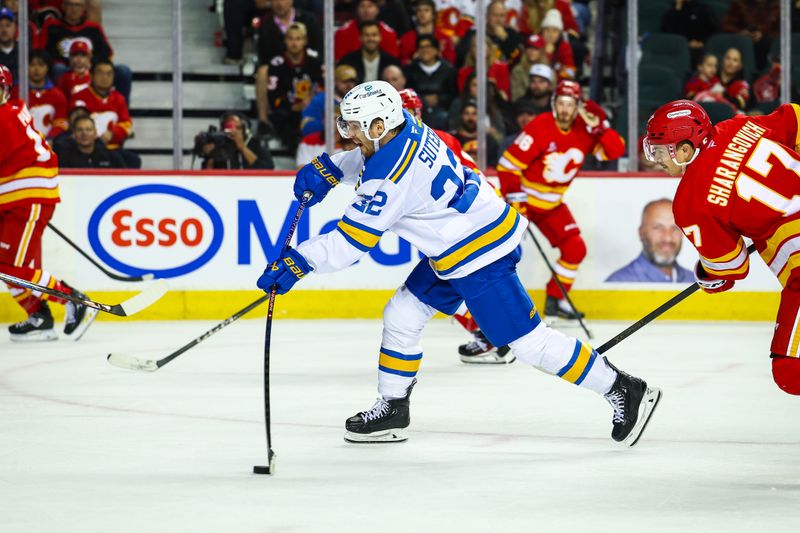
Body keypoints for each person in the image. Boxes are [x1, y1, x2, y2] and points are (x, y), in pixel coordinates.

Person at [257, 80, 661, 446]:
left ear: (380, 126)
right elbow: (365, 160)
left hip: (478, 254)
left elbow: (349, 242)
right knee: (401, 314)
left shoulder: (389, 177)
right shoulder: (409, 129)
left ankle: (622, 388)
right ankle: (394, 407)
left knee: (531, 345)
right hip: (459, 245)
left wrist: (297, 262)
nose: (349, 135)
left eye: (355, 127)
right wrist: (330, 168)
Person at [643, 98, 800, 395]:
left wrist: (706, 275)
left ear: (684, 150)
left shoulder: (690, 202)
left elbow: (732, 268)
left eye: (660, 149)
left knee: (790, 371)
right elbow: (795, 117)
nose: (655, 158)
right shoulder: (740, 125)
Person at [497, 80, 625, 320]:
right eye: (561, 103)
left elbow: (615, 151)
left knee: (575, 249)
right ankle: (493, 305)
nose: (565, 109)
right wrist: (517, 203)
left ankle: (555, 302)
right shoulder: (540, 125)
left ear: (578, 106)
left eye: (570, 104)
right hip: (523, 203)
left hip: (552, 205)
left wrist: (601, 128)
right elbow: (507, 166)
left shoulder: (584, 130)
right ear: (554, 103)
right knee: (501, 254)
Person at [0, 65, 97, 341]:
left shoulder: (5, 118)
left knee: (10, 267)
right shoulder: (12, 111)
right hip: (15, 198)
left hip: (24, 198)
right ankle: (38, 316)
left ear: (5, 90)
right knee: (10, 266)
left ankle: (72, 300)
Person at [256, 22, 322, 153]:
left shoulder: (315, 62)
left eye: (298, 39)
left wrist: (311, 102)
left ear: (305, 41)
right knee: (285, 121)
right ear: (285, 40)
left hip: (312, 111)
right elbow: (274, 98)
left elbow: (323, 87)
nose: (294, 43)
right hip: (287, 113)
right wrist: (293, 106)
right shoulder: (277, 64)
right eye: (291, 38)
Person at [606, 199, 693, 283]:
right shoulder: (618, 285)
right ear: (641, 233)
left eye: (675, 228)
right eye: (657, 227)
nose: (668, 238)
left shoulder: (696, 283)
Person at [70, 59, 137, 166]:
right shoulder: (80, 96)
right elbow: (78, 124)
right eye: (100, 73)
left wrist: (112, 133)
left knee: (133, 160)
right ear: (91, 75)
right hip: (87, 150)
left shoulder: (119, 98)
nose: (105, 77)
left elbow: (127, 125)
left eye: (109, 74)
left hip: (113, 149)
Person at [403, 33, 456, 131]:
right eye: (421, 47)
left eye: (428, 46)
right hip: (418, 109)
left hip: (442, 109)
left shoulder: (448, 70)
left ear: (436, 49)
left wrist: (438, 99)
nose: (424, 50)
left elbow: (453, 94)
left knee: (443, 117)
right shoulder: (411, 69)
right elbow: (408, 92)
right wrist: (423, 100)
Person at [12, 50, 68, 142]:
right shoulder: (15, 92)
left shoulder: (58, 95)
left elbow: (60, 123)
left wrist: (48, 139)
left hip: (49, 143)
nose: (36, 69)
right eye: (32, 65)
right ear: (25, 67)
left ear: (47, 68)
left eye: (41, 65)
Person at [197, 112, 274, 170]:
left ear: (245, 130)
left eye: (238, 128)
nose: (233, 132)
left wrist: (243, 148)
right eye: (229, 128)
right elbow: (208, 178)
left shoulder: (256, 146)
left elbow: (268, 169)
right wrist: (210, 156)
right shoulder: (219, 146)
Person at [334, 0, 399, 62]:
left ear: (377, 10)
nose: (366, 10)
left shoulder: (389, 34)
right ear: (357, 10)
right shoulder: (342, 33)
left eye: (370, 6)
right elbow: (339, 60)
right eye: (362, 6)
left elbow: (392, 62)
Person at [56, 115, 126, 168]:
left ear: (95, 133)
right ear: (74, 134)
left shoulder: (111, 156)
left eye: (88, 129)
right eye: (79, 130)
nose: (84, 133)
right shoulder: (64, 158)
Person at [510, 34, 547, 103]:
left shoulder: (549, 70)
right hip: (524, 108)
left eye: (535, 49)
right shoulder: (518, 70)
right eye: (529, 48)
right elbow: (517, 97)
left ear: (541, 51)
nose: (531, 52)